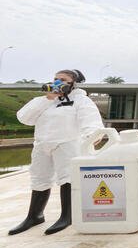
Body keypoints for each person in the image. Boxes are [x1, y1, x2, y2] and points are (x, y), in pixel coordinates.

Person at [11, 69, 103, 235]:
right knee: (39, 177)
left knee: (67, 178)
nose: (57, 82)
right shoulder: (46, 101)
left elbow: (91, 120)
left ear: (74, 83)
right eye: (55, 79)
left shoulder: (81, 101)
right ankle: (34, 216)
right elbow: (24, 118)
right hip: (42, 144)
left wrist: (92, 135)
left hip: (67, 144)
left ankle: (67, 216)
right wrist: (48, 98)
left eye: (62, 79)